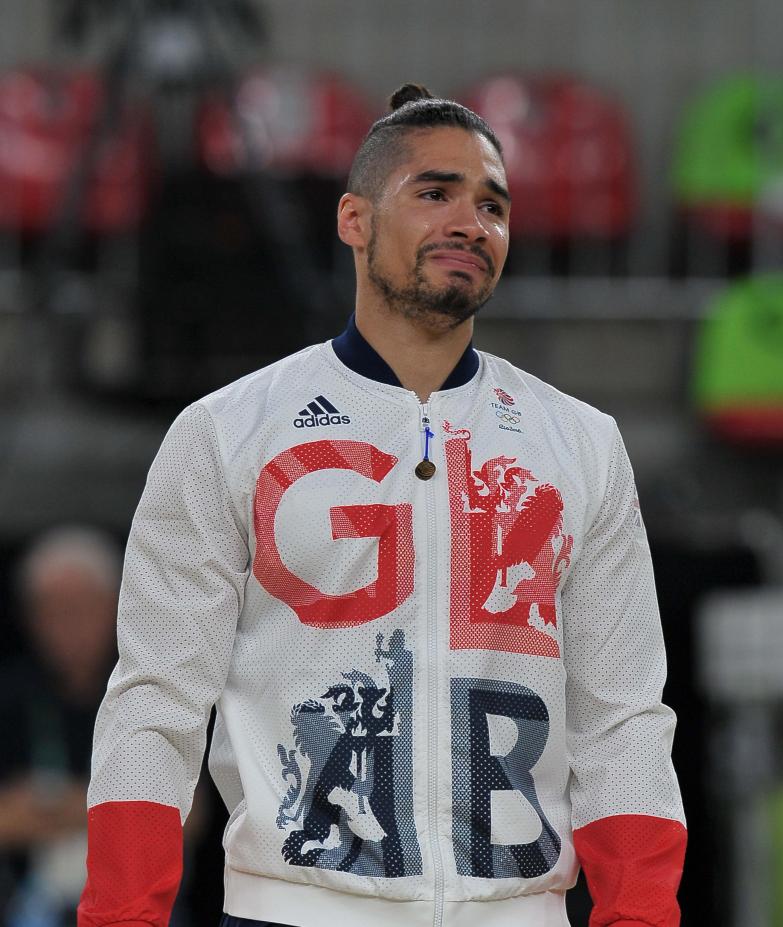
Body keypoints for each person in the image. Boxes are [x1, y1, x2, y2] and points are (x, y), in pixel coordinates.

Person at [77, 83, 687, 927]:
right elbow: (156, 705)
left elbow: (621, 717)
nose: (470, 222)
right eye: (434, 193)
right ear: (354, 219)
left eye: (492, 204)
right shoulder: (224, 432)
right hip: (293, 908)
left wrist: (643, 915)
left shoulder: (581, 443)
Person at [0, 527, 120, 925]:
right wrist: (108, 808)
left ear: (116, 606)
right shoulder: (11, 693)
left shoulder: (149, 689)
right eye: (52, 610)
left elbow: (190, 816)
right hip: (31, 899)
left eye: (83, 607)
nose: (69, 626)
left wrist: (47, 807)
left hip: (133, 892)